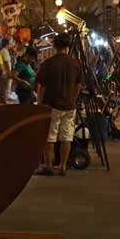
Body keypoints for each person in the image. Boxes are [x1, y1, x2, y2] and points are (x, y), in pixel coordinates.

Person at [35, 33, 83, 175]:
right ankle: (62, 165)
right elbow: (78, 85)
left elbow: (41, 86)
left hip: (52, 104)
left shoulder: (49, 63)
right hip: (69, 105)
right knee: (66, 136)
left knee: (50, 136)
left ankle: (48, 165)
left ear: (54, 46)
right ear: (68, 46)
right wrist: (73, 99)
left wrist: (40, 102)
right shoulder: (75, 63)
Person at [0, 38, 13, 104]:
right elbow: (6, 62)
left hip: (3, 72)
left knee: (3, 87)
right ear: (7, 44)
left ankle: (2, 100)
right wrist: (9, 73)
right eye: (10, 44)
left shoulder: (3, 51)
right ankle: (3, 101)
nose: (10, 45)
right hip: (5, 73)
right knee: (4, 87)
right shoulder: (4, 51)